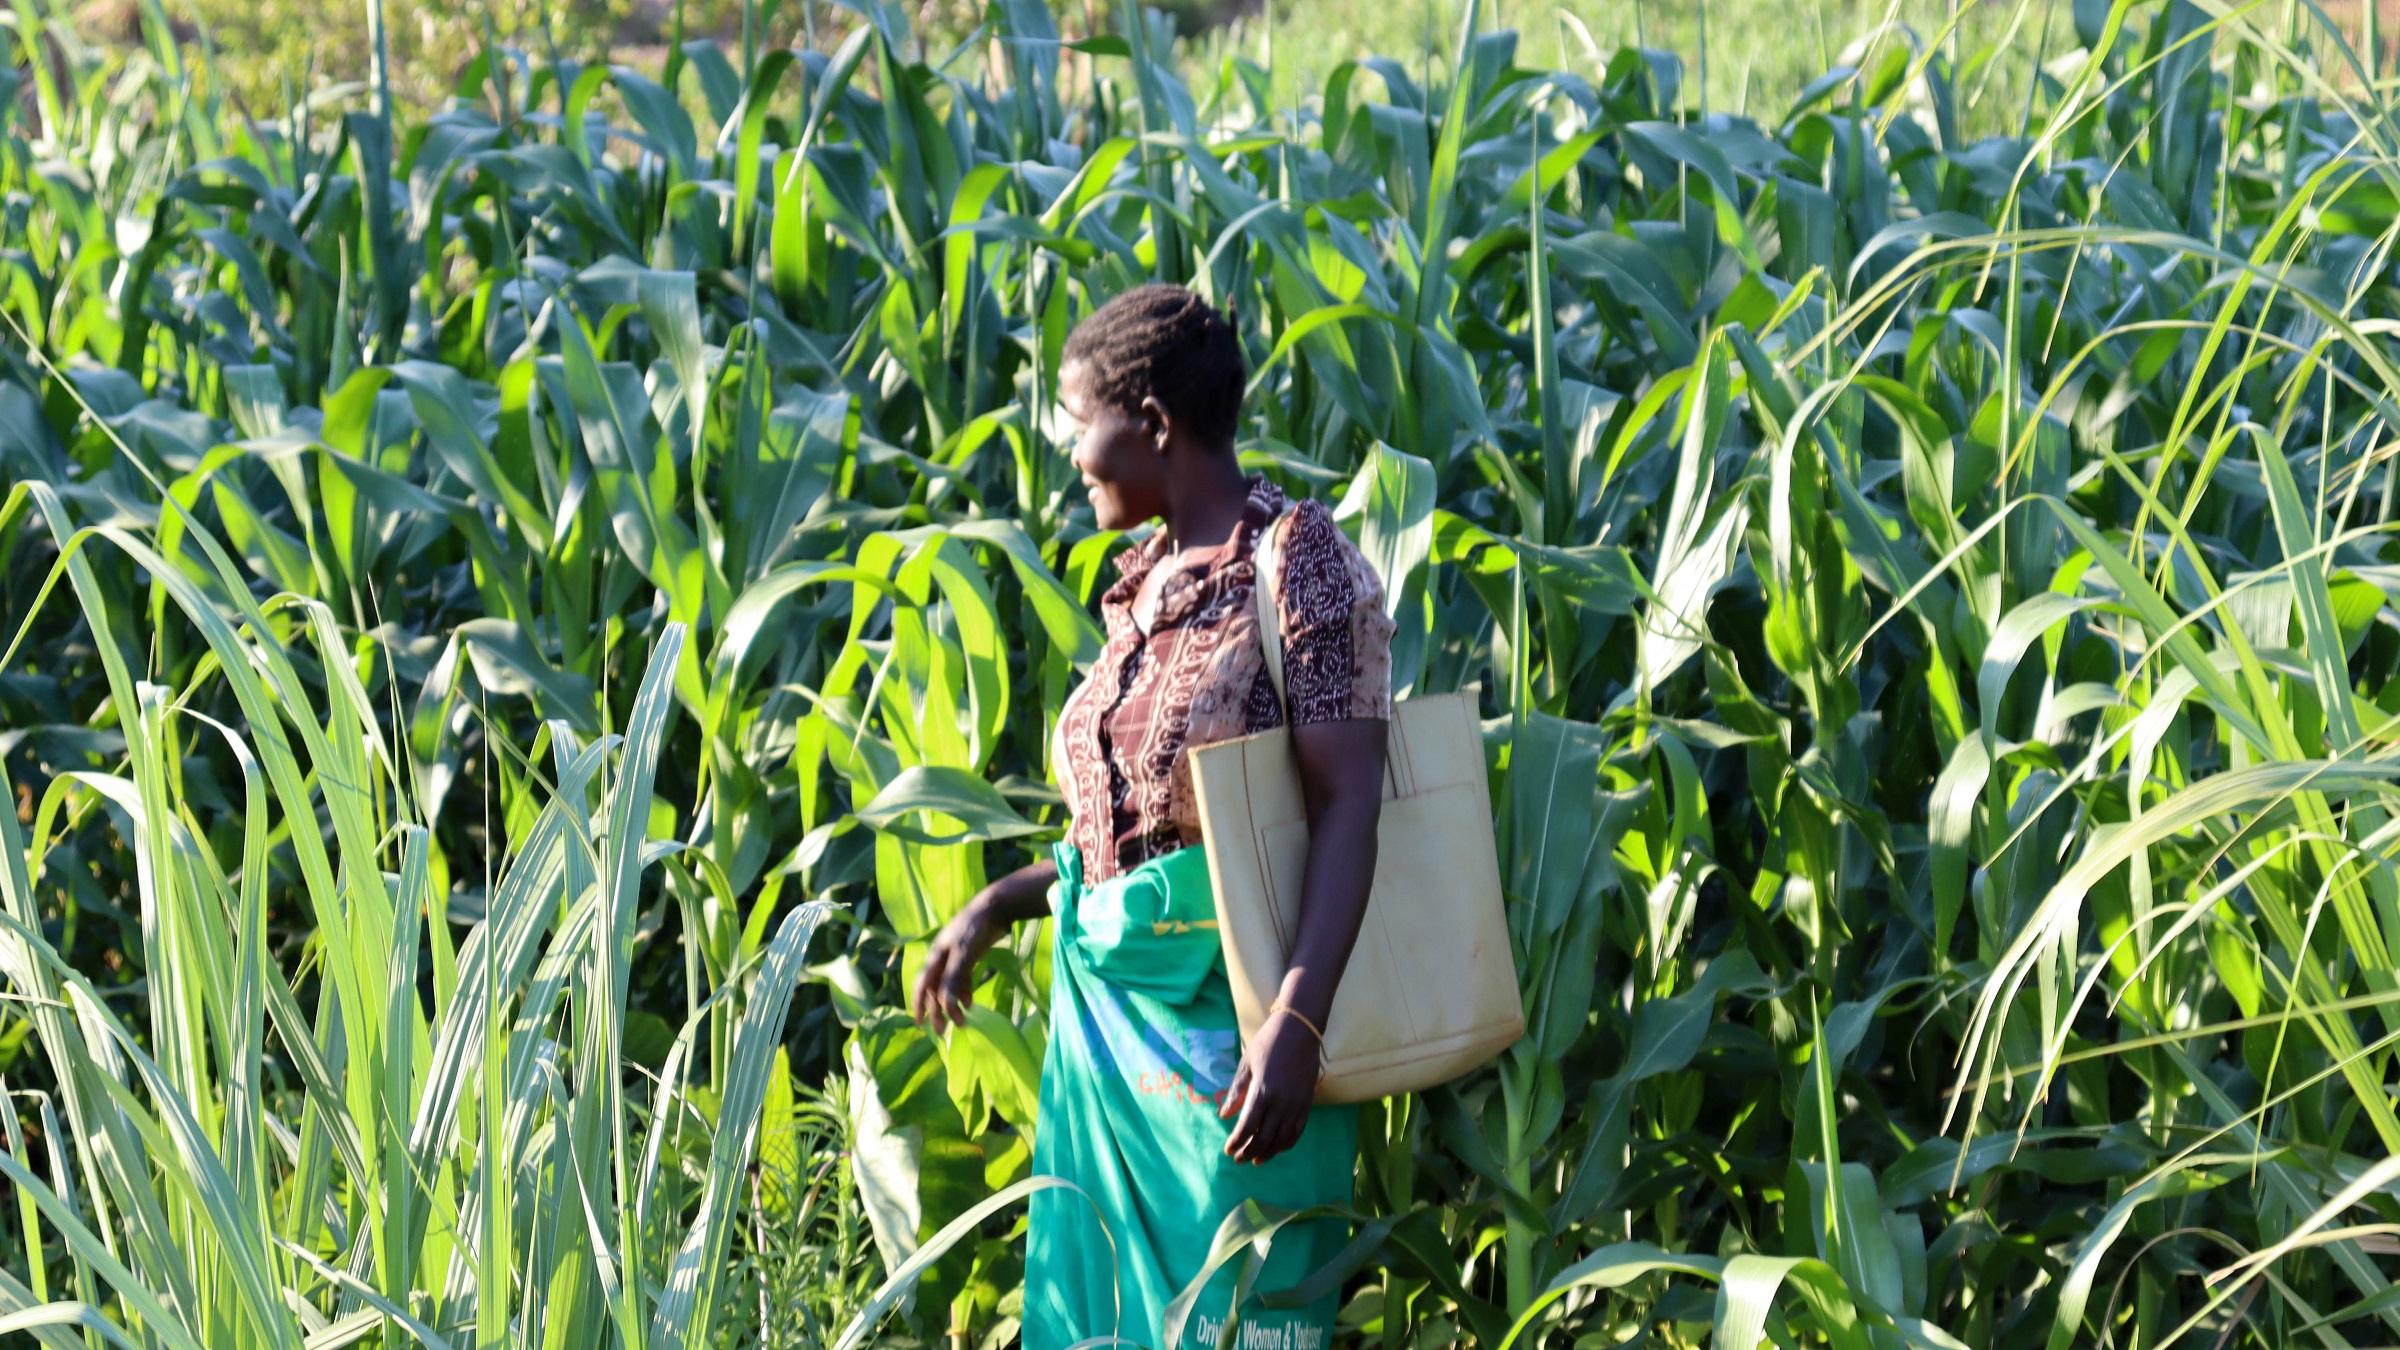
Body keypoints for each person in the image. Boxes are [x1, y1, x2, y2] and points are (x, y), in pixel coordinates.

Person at [910, 284, 1395, 1350]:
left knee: (1229, 1320)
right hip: (1109, 1057)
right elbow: (1139, 842)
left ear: (1154, 422)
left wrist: (1295, 1028)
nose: (1075, 454)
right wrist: (999, 903)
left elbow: (1350, 801)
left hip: (1238, 1058)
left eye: (1083, 421)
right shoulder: (1144, 586)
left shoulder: (1297, 561)